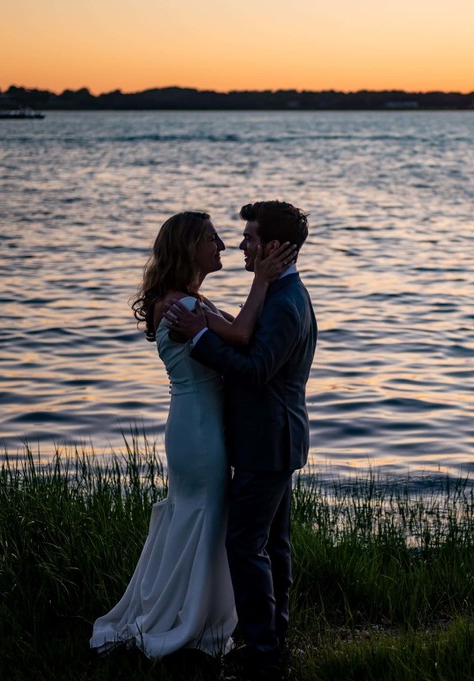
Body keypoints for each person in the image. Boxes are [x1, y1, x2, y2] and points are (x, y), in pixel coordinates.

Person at [90, 210, 296, 659]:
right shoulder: (183, 307)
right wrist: (261, 279)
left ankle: (191, 614)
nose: (221, 245)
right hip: (201, 432)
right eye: (211, 238)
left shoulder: (189, 302)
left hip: (191, 424)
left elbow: (238, 328)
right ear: (188, 248)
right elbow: (242, 334)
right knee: (202, 519)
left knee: (198, 518)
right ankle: (189, 621)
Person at [165, 201, 317, 676]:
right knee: (273, 545)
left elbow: (253, 373)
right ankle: (272, 640)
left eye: (250, 237)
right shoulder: (279, 293)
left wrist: (199, 338)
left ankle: (263, 653)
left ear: (273, 246)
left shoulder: (286, 304)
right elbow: (246, 339)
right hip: (272, 439)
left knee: (247, 546)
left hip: (266, 442)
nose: (243, 245)